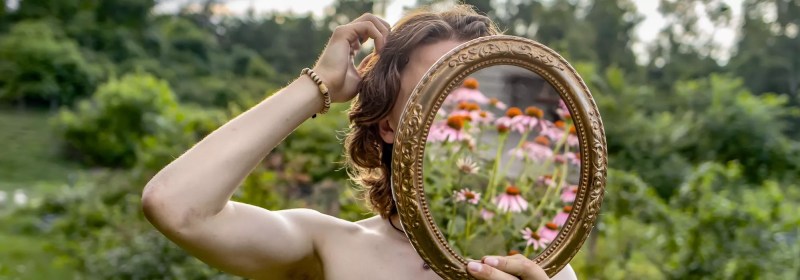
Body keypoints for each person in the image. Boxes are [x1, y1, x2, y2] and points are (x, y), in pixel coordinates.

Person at [142, 5, 578, 280]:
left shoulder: (540, 267)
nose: (460, 107)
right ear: (388, 124)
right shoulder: (334, 248)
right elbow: (175, 206)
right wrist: (320, 85)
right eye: (434, 88)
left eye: (473, 89)